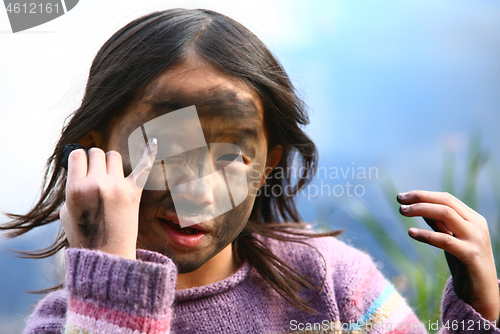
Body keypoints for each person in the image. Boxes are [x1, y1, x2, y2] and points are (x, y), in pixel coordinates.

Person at [2, 8, 499, 334]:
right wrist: (111, 274)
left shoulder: (329, 284)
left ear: (268, 168)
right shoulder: (67, 321)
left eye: (230, 158)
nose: (197, 191)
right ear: (93, 156)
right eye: (167, 149)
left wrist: (478, 311)